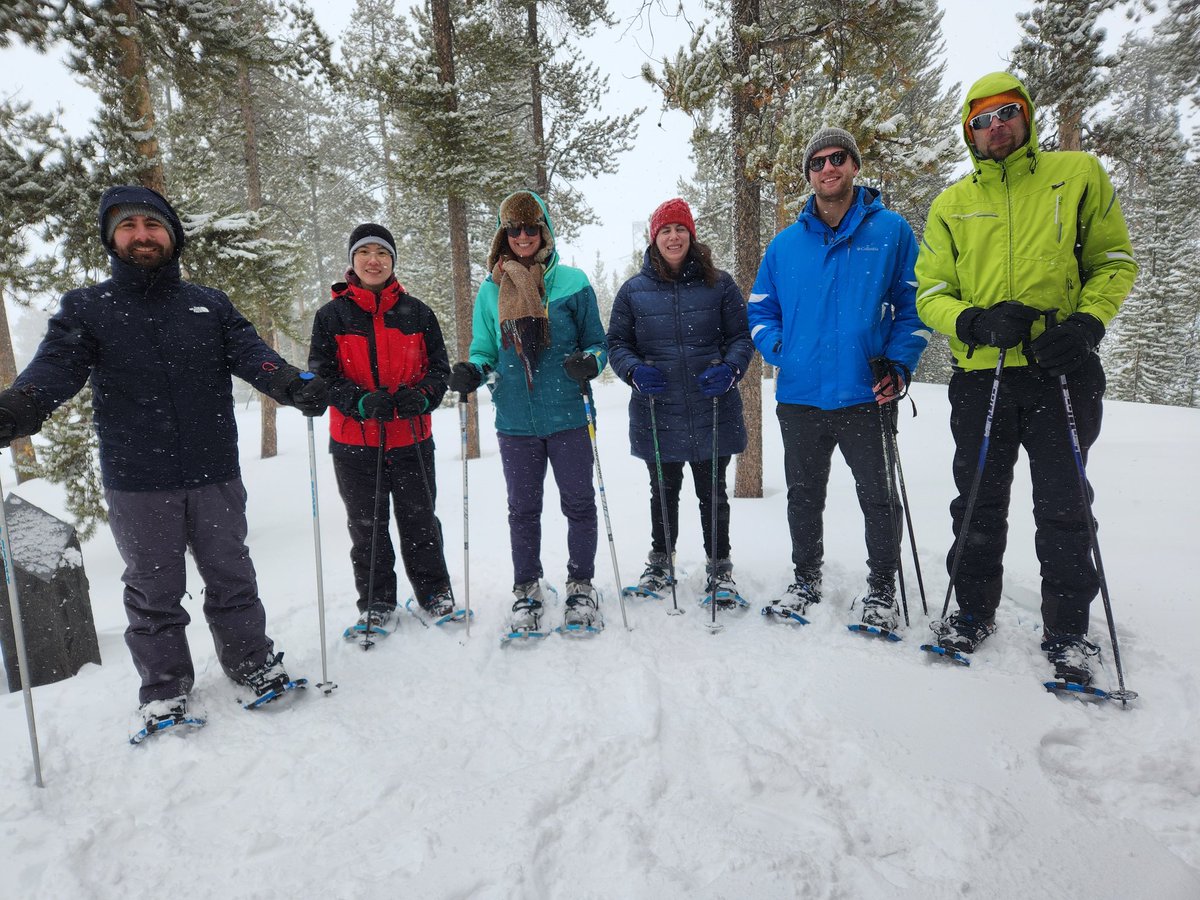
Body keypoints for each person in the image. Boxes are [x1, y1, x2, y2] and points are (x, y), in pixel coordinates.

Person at [0, 185, 329, 729]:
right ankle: (164, 688)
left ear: (172, 236)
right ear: (112, 238)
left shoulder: (207, 303)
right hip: (138, 478)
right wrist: (20, 406)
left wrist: (293, 385)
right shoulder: (89, 308)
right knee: (154, 589)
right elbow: (56, 368)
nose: (141, 235)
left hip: (214, 470)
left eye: (152, 226)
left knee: (231, 574)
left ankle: (251, 661)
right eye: (128, 227)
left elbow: (251, 355)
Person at [914, 73, 1136, 684]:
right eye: (981, 119)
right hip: (983, 375)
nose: (995, 126)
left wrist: (1087, 324)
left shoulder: (1077, 174)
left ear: (1026, 116)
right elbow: (930, 290)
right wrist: (972, 321)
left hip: (1061, 371)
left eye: (1006, 113)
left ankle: (1067, 630)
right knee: (979, 500)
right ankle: (973, 612)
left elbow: (1113, 260)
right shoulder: (952, 204)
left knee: (1063, 503)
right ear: (969, 132)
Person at [748, 127, 928, 630]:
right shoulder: (785, 245)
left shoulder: (891, 232)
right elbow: (761, 308)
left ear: (853, 166)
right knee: (804, 495)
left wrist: (898, 364)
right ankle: (805, 579)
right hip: (801, 396)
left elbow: (915, 309)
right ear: (808, 174)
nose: (828, 167)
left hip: (865, 392)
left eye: (838, 158)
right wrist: (782, 349)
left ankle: (881, 590)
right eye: (818, 161)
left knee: (877, 496)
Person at [447, 189, 607, 635]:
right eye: (513, 229)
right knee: (523, 509)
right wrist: (472, 372)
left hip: (567, 416)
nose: (522, 236)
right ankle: (527, 589)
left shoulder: (573, 283)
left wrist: (589, 362)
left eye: (530, 227)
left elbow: (598, 343)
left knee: (578, 504)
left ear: (544, 231)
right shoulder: (490, 291)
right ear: (505, 234)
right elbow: (485, 351)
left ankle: (580, 585)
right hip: (515, 418)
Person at [308, 223, 456, 634]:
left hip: (411, 439)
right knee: (367, 527)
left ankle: (434, 592)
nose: (374, 260)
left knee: (421, 521)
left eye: (382, 253)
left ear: (392, 262)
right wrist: (357, 400)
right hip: (355, 444)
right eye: (365, 252)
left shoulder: (419, 313)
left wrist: (423, 395)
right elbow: (321, 375)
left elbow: (439, 370)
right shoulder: (331, 316)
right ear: (352, 261)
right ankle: (376, 602)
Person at [606, 198, 752, 605]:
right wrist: (634, 371)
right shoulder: (633, 292)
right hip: (659, 410)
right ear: (655, 239)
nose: (674, 237)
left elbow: (740, 337)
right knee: (663, 490)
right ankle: (660, 562)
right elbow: (617, 342)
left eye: (680, 229)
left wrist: (731, 369)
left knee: (713, 492)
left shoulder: (719, 284)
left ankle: (720, 567)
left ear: (691, 236)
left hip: (713, 407)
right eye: (666, 230)